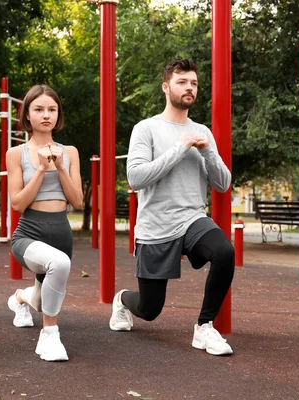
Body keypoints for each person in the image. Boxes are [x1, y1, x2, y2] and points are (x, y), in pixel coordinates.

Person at [109, 59, 235, 356]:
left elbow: (223, 184)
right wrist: (181, 147)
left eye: (193, 82)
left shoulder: (202, 130)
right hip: (155, 226)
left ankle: (204, 327)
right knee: (150, 309)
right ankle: (123, 300)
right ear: (166, 87)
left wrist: (207, 153)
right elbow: (136, 177)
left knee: (225, 252)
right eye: (182, 82)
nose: (189, 87)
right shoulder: (146, 128)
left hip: (192, 218)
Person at [6, 85, 83, 361]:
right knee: (59, 264)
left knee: (40, 301)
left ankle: (19, 298)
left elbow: (77, 201)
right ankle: (49, 336)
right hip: (29, 234)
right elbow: (17, 203)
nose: (46, 115)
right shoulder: (16, 154)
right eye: (38, 109)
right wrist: (40, 168)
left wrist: (60, 166)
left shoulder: (70, 152)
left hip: (61, 233)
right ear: (27, 115)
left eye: (52, 109)